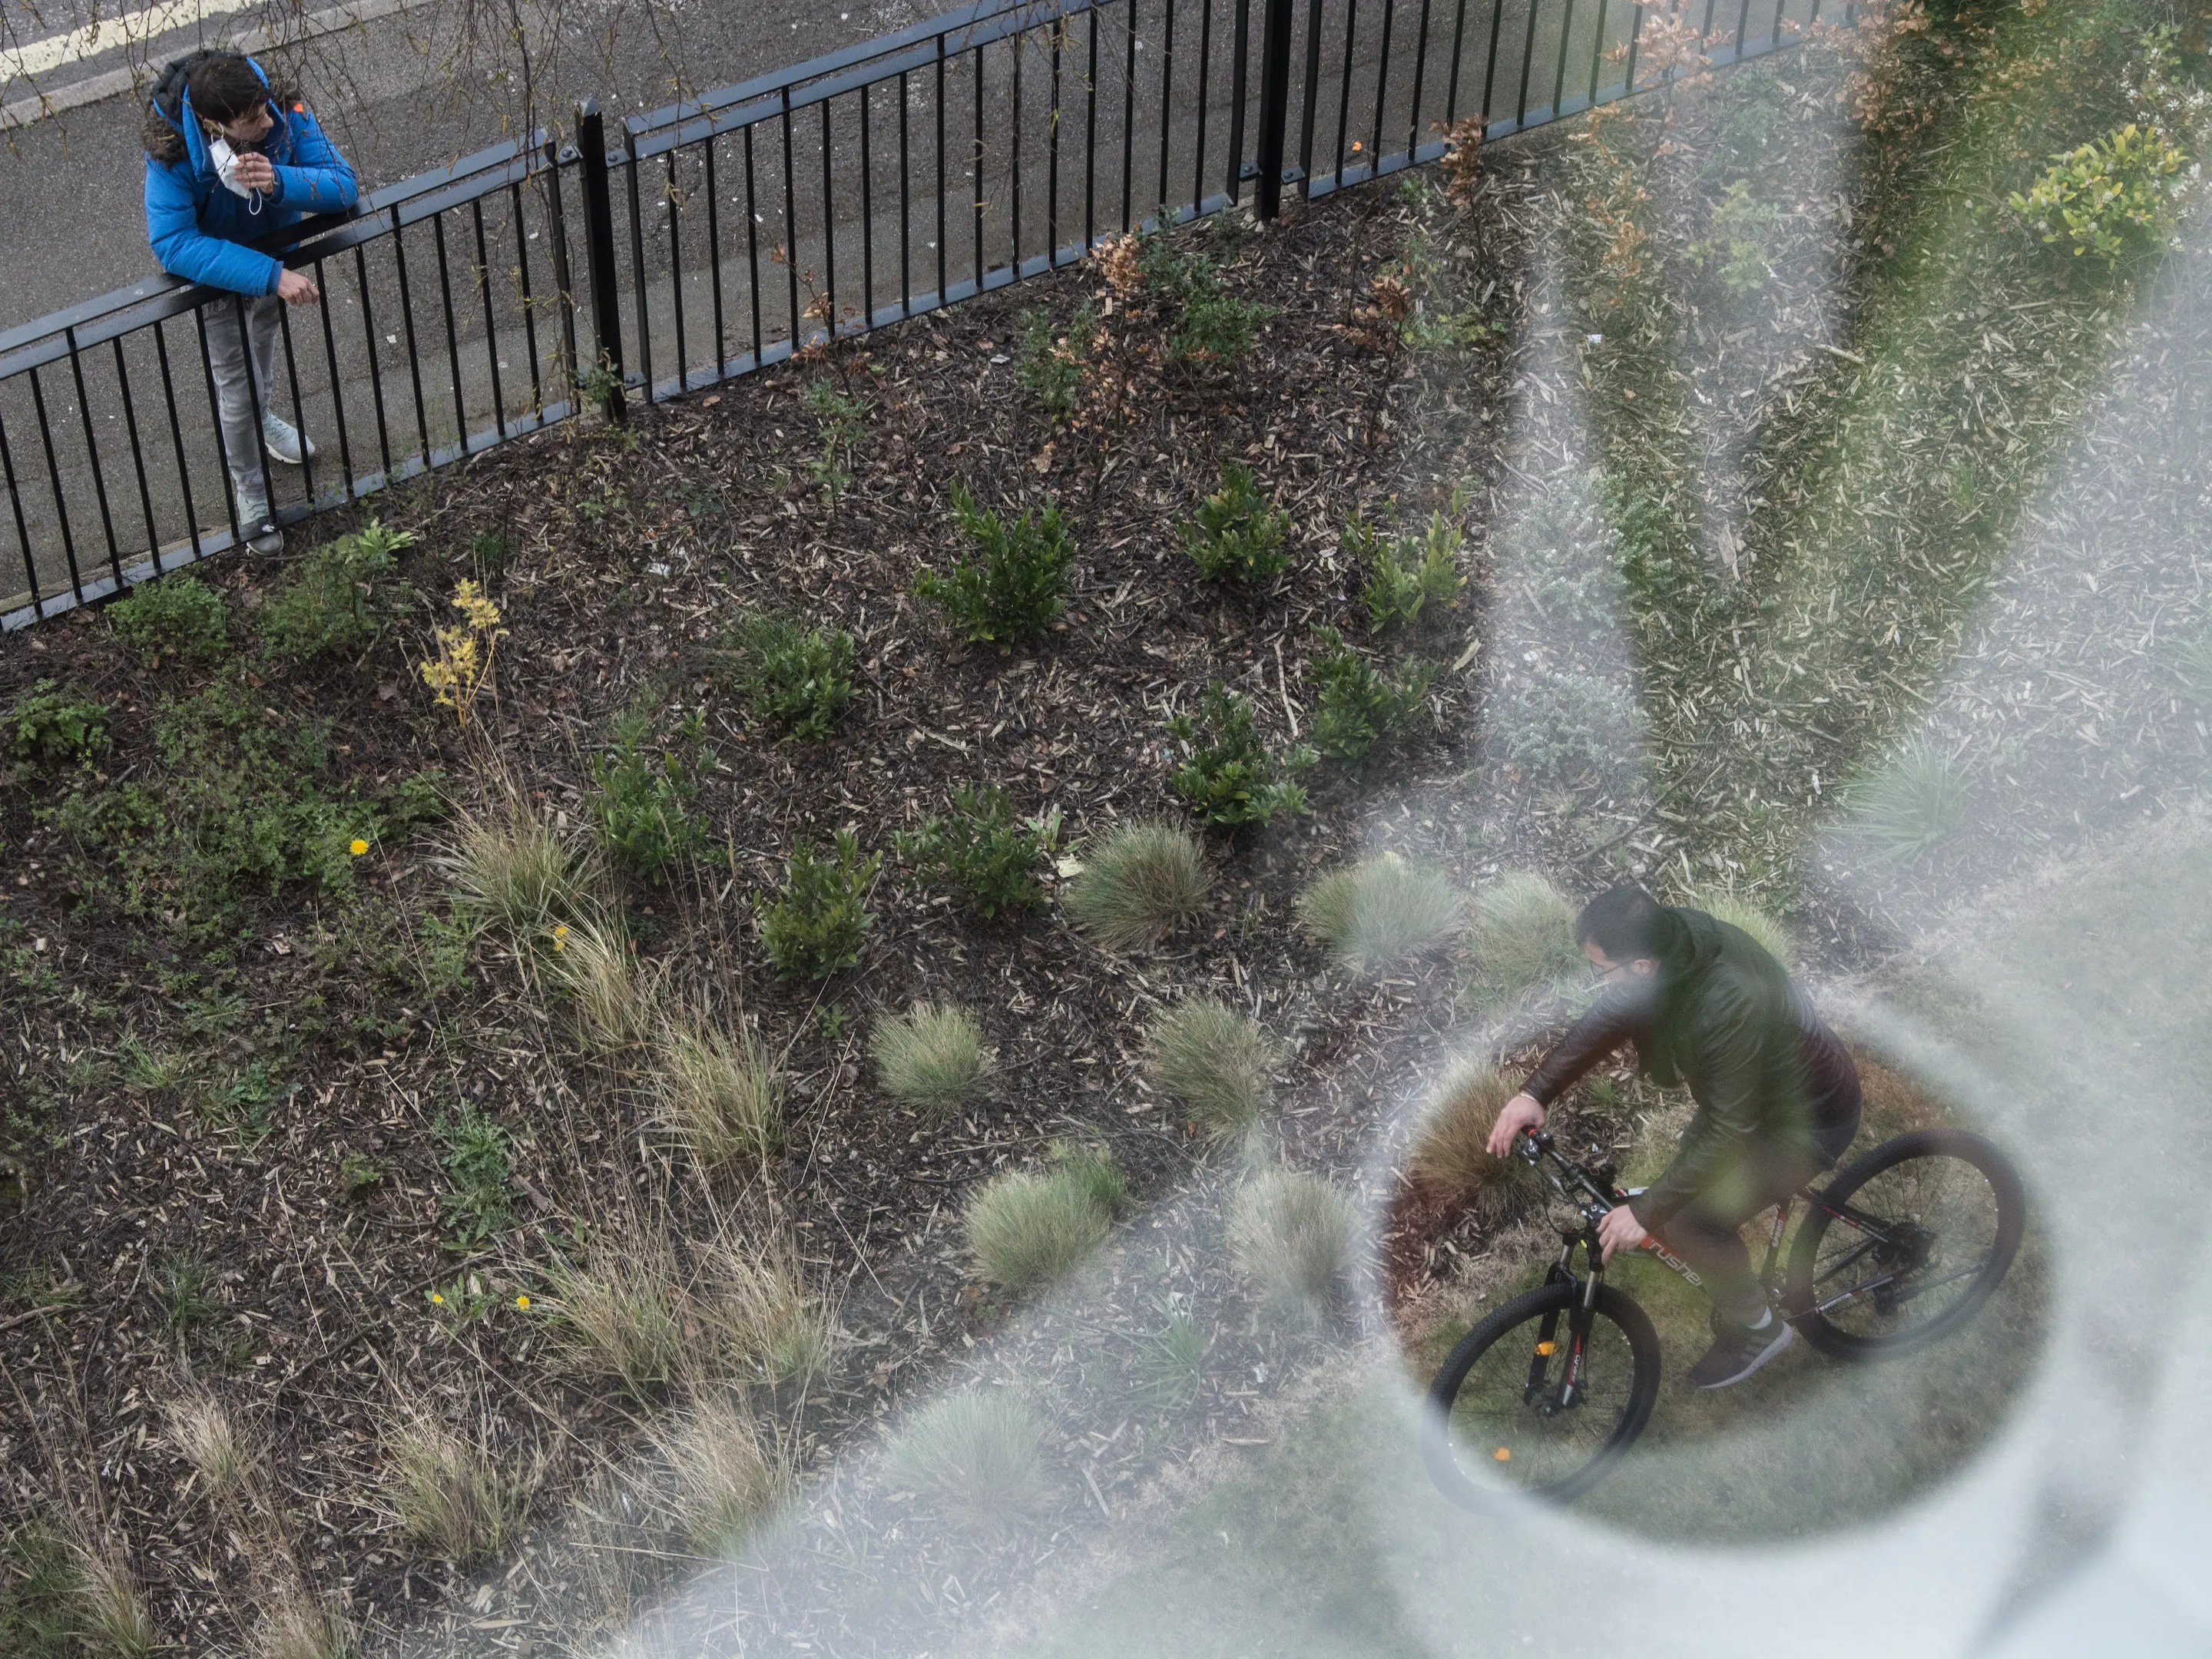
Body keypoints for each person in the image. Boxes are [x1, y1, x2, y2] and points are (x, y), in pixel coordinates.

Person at [1485, 882, 1862, 1389]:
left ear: (1640, 964)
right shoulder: (1672, 941)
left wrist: (1646, 1211)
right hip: (1754, 1100)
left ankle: (1760, 1328)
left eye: (1603, 971)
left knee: (1689, 1223)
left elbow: (1731, 1131)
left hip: (1806, 1122)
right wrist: (1535, 1094)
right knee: (1680, 1188)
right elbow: (1616, 1012)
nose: (1601, 981)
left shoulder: (1726, 1003)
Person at [143, 49, 358, 554]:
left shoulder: (279, 111)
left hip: (273, 268)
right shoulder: (171, 151)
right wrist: (268, 275)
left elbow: (343, 184)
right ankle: (252, 494)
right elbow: (172, 242)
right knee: (236, 391)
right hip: (227, 283)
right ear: (214, 124)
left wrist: (281, 181)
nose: (268, 122)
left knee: (261, 350)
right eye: (251, 120)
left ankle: (264, 422)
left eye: (265, 110)